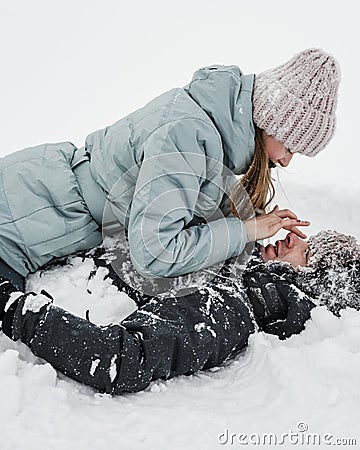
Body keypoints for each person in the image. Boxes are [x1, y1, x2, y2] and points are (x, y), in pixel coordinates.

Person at [0, 49, 340, 287]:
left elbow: (183, 210)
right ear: (271, 121)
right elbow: (155, 251)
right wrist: (246, 231)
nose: (286, 160)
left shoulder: (211, 130)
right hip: (24, 216)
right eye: (291, 146)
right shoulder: (188, 135)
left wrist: (244, 224)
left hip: (38, 208)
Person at [1, 230, 358, 395]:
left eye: (308, 254)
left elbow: (119, 360)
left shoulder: (231, 308)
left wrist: (13, 307)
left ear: (308, 285)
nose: (292, 238)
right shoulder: (237, 262)